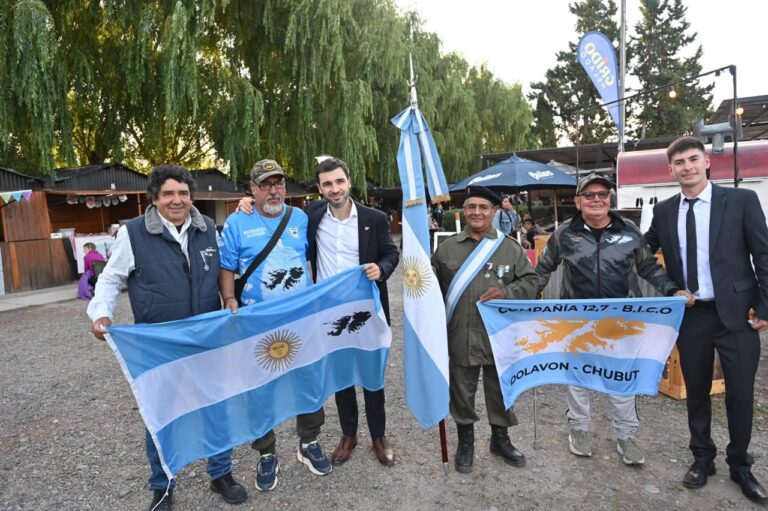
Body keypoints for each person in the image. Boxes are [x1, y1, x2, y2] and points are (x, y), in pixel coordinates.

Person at [87, 165, 247, 511]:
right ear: (155, 198)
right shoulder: (133, 233)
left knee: (216, 408)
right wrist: (101, 313)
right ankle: (162, 485)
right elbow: (111, 279)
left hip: (206, 338)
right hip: (159, 343)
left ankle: (221, 474)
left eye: (184, 193)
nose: (178, 200)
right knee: (160, 416)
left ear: (191, 197)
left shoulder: (207, 229)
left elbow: (223, 269)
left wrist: (229, 299)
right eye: (169, 194)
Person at [535, 173, 692, 466]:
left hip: (622, 320)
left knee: (621, 378)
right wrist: (522, 299)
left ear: (610, 199)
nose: (597, 199)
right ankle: (578, 429)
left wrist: (672, 290)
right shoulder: (564, 233)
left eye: (603, 194)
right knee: (578, 378)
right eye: (589, 195)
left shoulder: (629, 231)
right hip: (577, 321)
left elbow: (648, 267)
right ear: (578, 201)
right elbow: (543, 269)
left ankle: (626, 435)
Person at [644, 136, 768, 503]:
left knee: (740, 394)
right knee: (696, 392)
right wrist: (668, 287)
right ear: (671, 169)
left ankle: (740, 465)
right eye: (679, 162)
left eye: (693, 159)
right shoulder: (664, 211)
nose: (687, 167)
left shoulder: (742, 201)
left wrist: (766, 307)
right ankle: (702, 458)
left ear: (707, 162)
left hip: (738, 316)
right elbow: (642, 253)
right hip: (692, 315)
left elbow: (763, 254)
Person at [219, 159, 331, 493]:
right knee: (259, 388)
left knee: (308, 380)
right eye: (265, 184)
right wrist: (229, 299)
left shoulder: (300, 217)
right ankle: (266, 452)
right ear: (252, 189)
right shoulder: (237, 222)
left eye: (278, 183)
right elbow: (227, 268)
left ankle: (309, 442)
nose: (273, 190)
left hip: (300, 320)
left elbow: (317, 251)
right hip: (256, 324)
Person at [431, 185, 538, 474]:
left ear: (494, 212)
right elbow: (430, 291)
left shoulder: (510, 248)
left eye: (483, 207)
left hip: (498, 335)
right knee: (461, 390)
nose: (476, 212)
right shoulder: (446, 249)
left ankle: (500, 439)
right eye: (471, 207)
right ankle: (466, 441)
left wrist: (507, 293)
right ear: (464, 210)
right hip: (460, 332)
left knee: (499, 387)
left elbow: (531, 282)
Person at [306, 156, 400, 467]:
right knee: (342, 375)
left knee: (372, 374)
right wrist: (247, 204)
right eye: (327, 184)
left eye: (339, 181)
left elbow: (391, 253)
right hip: (330, 313)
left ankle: (378, 436)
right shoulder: (313, 215)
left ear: (349, 181)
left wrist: (381, 269)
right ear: (320, 188)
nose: (334, 189)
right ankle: (349, 435)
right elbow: (279, 218)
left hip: (367, 311)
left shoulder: (374, 218)